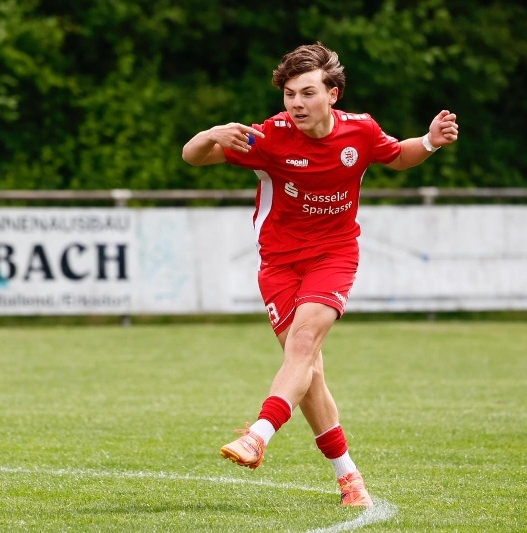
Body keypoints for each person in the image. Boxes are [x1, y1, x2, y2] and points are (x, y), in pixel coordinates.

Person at [182, 42, 458, 507]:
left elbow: (398, 155)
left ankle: (258, 434)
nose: (296, 103)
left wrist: (429, 141)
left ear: (332, 94)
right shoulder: (271, 135)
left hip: (333, 255)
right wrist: (211, 133)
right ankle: (350, 478)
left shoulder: (361, 131)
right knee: (307, 371)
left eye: (307, 93)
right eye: (290, 94)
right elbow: (194, 157)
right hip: (278, 264)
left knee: (304, 344)